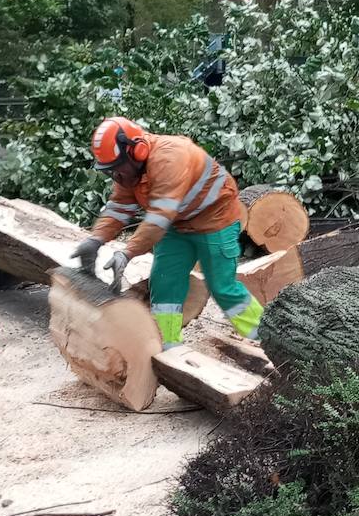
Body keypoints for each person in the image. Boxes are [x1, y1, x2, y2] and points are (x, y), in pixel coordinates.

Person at [72, 117, 263, 350]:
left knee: (222, 286)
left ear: (138, 150)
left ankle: (263, 339)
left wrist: (127, 253)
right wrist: (95, 240)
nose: (115, 175)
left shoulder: (169, 157)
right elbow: (120, 207)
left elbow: (158, 218)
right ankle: (167, 344)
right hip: (177, 224)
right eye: (110, 170)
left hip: (216, 220)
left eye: (117, 168)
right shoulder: (127, 171)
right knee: (164, 282)